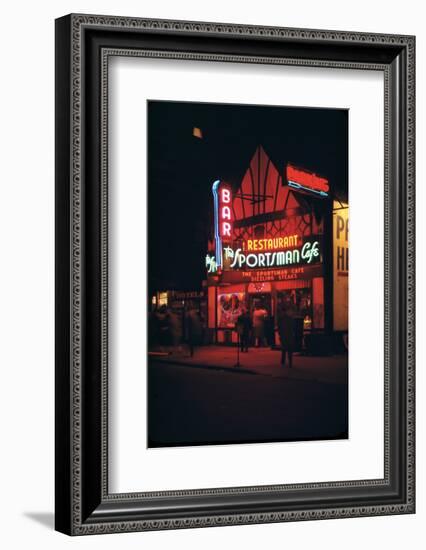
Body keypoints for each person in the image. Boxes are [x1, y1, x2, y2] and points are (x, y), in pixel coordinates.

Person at [277, 301, 296, 368]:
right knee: (289, 348)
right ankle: (289, 361)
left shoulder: (281, 319)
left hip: (284, 334)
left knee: (284, 348)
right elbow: (292, 326)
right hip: (289, 334)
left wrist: (280, 334)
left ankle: (283, 361)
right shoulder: (290, 319)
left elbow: (279, 327)